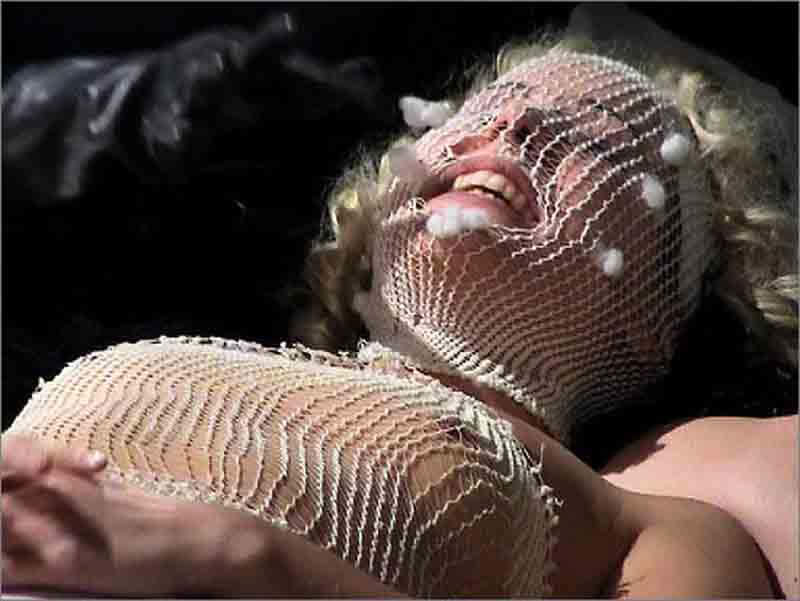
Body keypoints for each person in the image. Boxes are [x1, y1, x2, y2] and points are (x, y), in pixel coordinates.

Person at [2, 4, 796, 598]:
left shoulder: (650, 529)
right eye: (480, 113)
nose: (513, 123)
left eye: (591, 135)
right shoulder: (190, 347)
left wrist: (254, 560)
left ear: (657, 318)